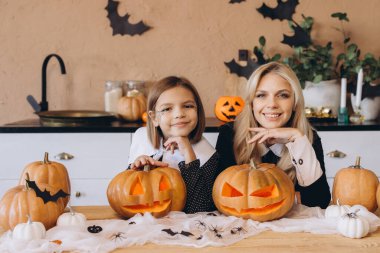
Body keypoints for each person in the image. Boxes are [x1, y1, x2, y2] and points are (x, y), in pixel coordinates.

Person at [216, 62, 331, 209]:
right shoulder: (230, 134)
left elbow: (319, 204)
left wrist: (297, 142)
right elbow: (220, 197)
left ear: (295, 102)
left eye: (283, 95)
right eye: (261, 95)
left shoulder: (307, 138)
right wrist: (295, 198)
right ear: (251, 103)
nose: (272, 104)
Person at [128, 76, 218, 213]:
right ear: (154, 118)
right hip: (148, 222)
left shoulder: (208, 154)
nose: (179, 114)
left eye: (188, 106)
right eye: (167, 109)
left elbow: (198, 209)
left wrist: (189, 155)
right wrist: (136, 168)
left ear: (198, 112)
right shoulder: (142, 138)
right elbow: (126, 195)